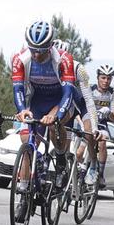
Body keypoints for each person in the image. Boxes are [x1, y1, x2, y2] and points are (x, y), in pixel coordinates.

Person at [8, 19, 96, 185]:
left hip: (60, 100)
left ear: (50, 47)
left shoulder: (64, 59)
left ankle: (61, 158)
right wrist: (21, 110)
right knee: (27, 144)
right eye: (33, 50)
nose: (36, 55)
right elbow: (18, 89)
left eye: (40, 51)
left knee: (55, 125)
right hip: (37, 102)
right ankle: (23, 190)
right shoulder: (20, 59)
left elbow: (68, 92)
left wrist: (57, 116)